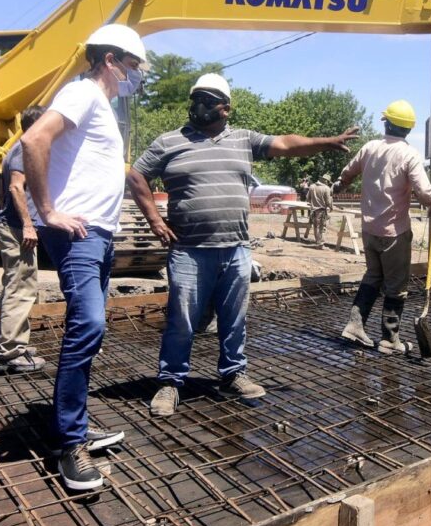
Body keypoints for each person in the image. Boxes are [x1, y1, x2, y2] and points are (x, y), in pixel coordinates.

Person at [127, 73, 358, 417]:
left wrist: (325, 142)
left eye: (207, 100)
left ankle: (232, 374)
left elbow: (286, 143)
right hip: (190, 250)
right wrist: (155, 221)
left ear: (225, 108)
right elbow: (135, 175)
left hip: (235, 248)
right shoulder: (169, 141)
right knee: (182, 320)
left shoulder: (244, 140)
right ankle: (171, 382)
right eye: (196, 100)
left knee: (234, 319)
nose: (199, 107)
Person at [21, 22, 146, 491]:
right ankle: (69, 444)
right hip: (80, 235)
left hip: (99, 235)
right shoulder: (84, 93)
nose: (136, 75)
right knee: (88, 326)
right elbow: (34, 140)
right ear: (111, 60)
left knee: (89, 334)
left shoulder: (102, 108)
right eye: (133, 66)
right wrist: (47, 210)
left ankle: (73, 425)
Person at [336, 99, 431, 354]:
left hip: (369, 231)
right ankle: (389, 340)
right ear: (408, 129)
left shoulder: (370, 148)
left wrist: (339, 184)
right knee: (396, 287)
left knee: (373, 276)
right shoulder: (408, 154)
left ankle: (355, 325)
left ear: (387, 123)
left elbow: (348, 172)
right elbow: (422, 189)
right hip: (394, 234)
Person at [0, 105, 47, 373]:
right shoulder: (25, 150)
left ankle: (6, 341)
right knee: (22, 288)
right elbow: (14, 187)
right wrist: (26, 224)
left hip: (8, 224)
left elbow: (3, 191)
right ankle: (11, 351)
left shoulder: (13, 149)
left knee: (14, 285)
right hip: (16, 228)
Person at [306, 174, 334, 248]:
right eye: (328, 181)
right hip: (321, 210)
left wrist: (314, 202)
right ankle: (320, 244)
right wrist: (331, 207)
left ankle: (317, 242)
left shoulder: (312, 186)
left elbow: (308, 198)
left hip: (313, 210)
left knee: (316, 226)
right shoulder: (326, 188)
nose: (328, 183)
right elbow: (328, 202)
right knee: (322, 227)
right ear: (325, 181)